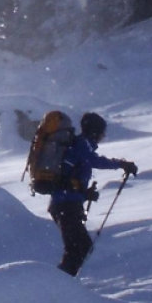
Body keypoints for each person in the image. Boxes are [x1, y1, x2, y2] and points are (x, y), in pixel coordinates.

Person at [51, 112, 137, 276]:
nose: (102, 137)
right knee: (80, 247)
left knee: (78, 248)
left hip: (65, 204)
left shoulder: (79, 145)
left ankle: (62, 282)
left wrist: (84, 194)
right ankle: (57, 283)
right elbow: (94, 161)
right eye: (102, 133)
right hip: (66, 205)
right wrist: (121, 164)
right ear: (95, 132)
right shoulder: (82, 145)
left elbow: (69, 177)